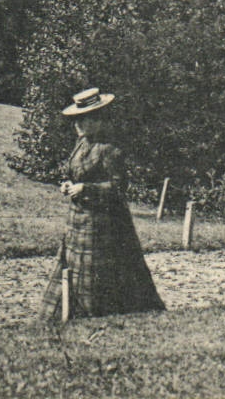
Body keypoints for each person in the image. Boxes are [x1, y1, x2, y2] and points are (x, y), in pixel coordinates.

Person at [41, 88, 165, 320]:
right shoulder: (82, 143)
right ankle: (67, 314)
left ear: (97, 119)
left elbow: (119, 187)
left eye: (82, 119)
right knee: (74, 266)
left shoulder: (109, 148)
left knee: (97, 272)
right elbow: (78, 173)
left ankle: (95, 315)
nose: (76, 124)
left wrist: (86, 189)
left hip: (104, 223)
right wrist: (68, 184)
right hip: (78, 218)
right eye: (76, 119)